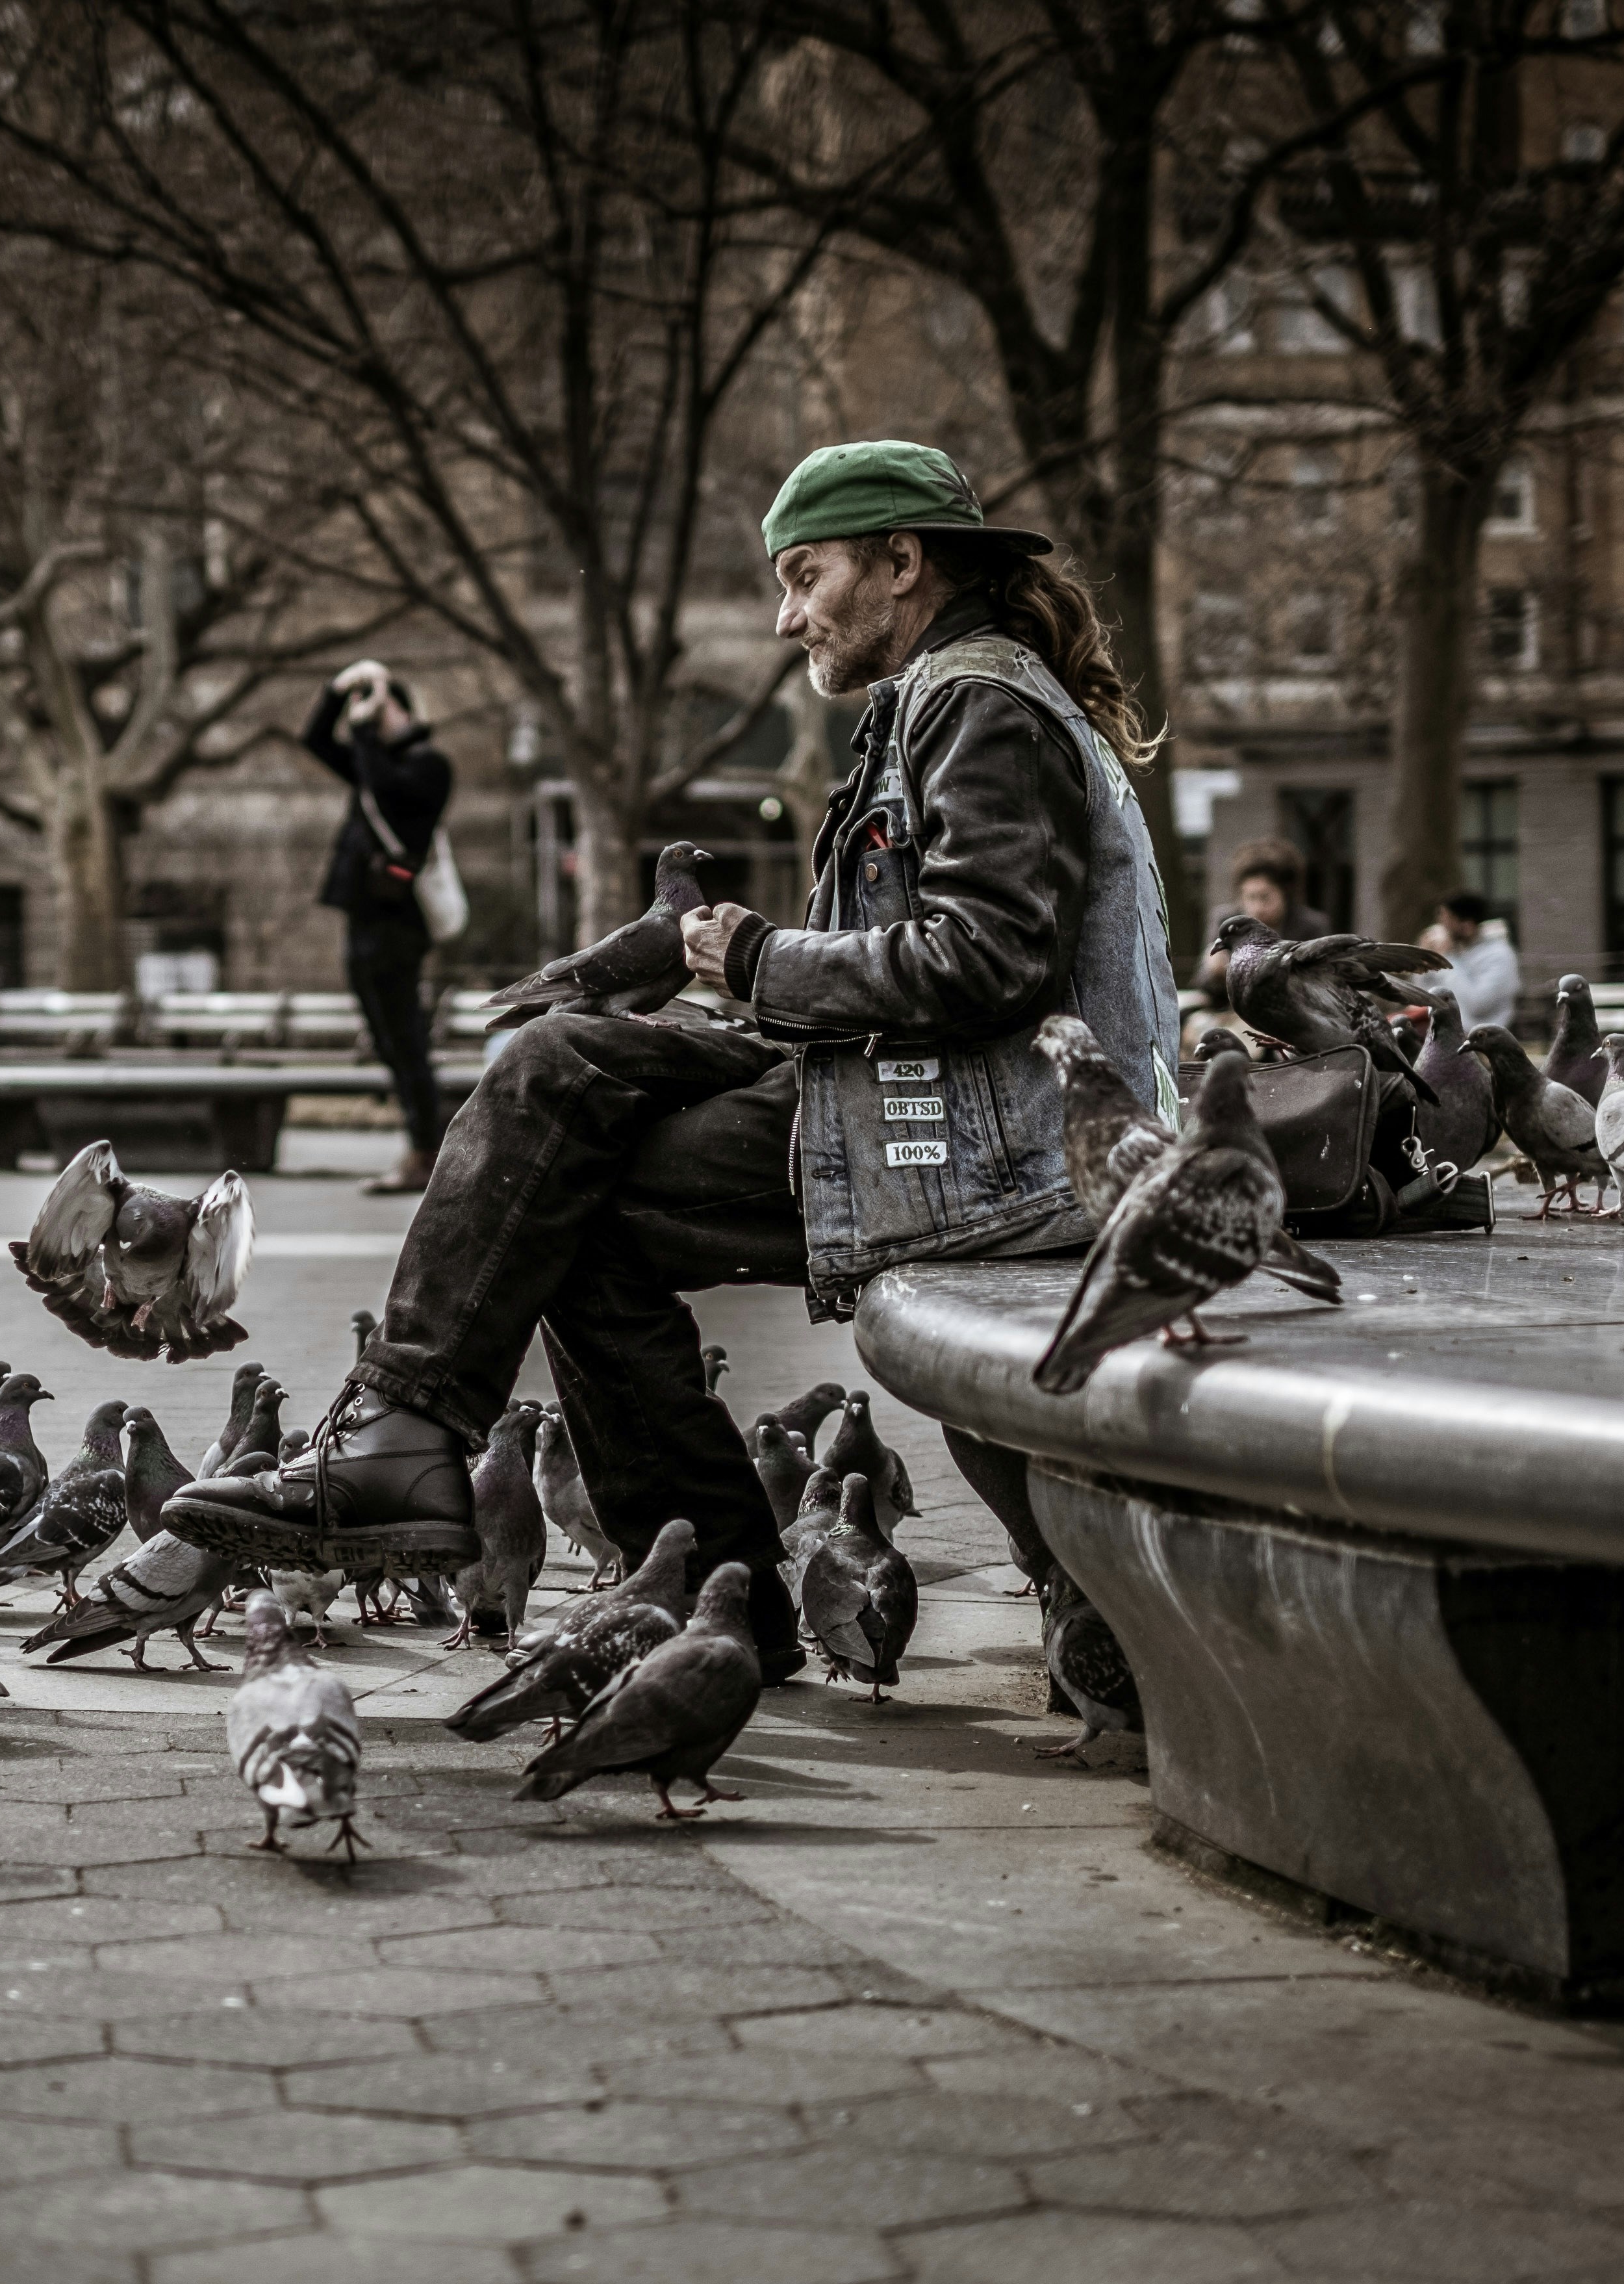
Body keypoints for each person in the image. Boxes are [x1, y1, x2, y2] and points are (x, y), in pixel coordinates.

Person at [167, 440, 1181, 1641]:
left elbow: (987, 959)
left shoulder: (976, 702)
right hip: (927, 1098)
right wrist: (749, 983)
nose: (782, 615)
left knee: (563, 1193)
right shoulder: (950, 694)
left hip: (986, 1140)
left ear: (901, 561)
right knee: (555, 1063)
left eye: (805, 576)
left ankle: (686, 1580)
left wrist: (753, 960)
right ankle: (447, 1455)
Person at [302, 658, 453, 1194]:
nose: (369, 714)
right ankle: (423, 1148)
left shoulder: (429, 767)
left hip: (398, 926)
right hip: (363, 918)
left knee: (406, 1040)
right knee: (389, 1041)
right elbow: (316, 741)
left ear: (407, 713)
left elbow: (389, 789)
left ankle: (427, 1153)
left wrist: (365, 729)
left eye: (382, 704)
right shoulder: (372, 763)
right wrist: (338, 691)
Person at [1193, 836, 1327, 1005]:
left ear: (1286, 894)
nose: (1257, 907)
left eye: (1265, 897)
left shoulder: (1310, 926)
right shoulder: (1227, 921)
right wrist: (1215, 972)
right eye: (1250, 897)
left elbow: (1318, 985)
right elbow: (1203, 986)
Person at [1425, 890, 1519, 1031]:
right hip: (1447, 1033)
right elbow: (1424, 992)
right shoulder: (1459, 952)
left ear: (1467, 925)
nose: (1441, 929)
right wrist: (1425, 958)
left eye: (1446, 922)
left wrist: (1445, 961)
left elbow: (1478, 1005)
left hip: (1483, 1036)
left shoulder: (1499, 955)